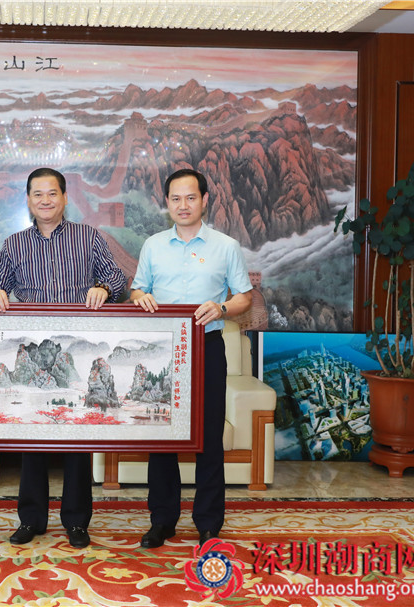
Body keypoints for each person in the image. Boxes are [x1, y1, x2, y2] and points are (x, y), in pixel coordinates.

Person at [0, 167, 126, 549]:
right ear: (28, 201)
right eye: (37, 194)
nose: (45, 200)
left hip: (75, 347)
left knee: (77, 437)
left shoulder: (88, 237)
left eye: (52, 193)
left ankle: (77, 521)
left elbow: (117, 279)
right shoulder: (14, 244)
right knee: (32, 436)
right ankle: (31, 519)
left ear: (64, 198)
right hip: (34, 349)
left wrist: (103, 287)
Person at [130, 168, 253, 549]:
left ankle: (208, 523)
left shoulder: (226, 246)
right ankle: (162, 520)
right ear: (166, 203)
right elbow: (137, 290)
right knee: (162, 436)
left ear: (204, 200)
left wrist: (222, 307)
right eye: (175, 199)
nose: (183, 205)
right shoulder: (153, 245)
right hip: (163, 351)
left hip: (207, 347)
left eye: (190, 198)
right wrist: (141, 298)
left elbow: (245, 297)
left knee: (209, 437)